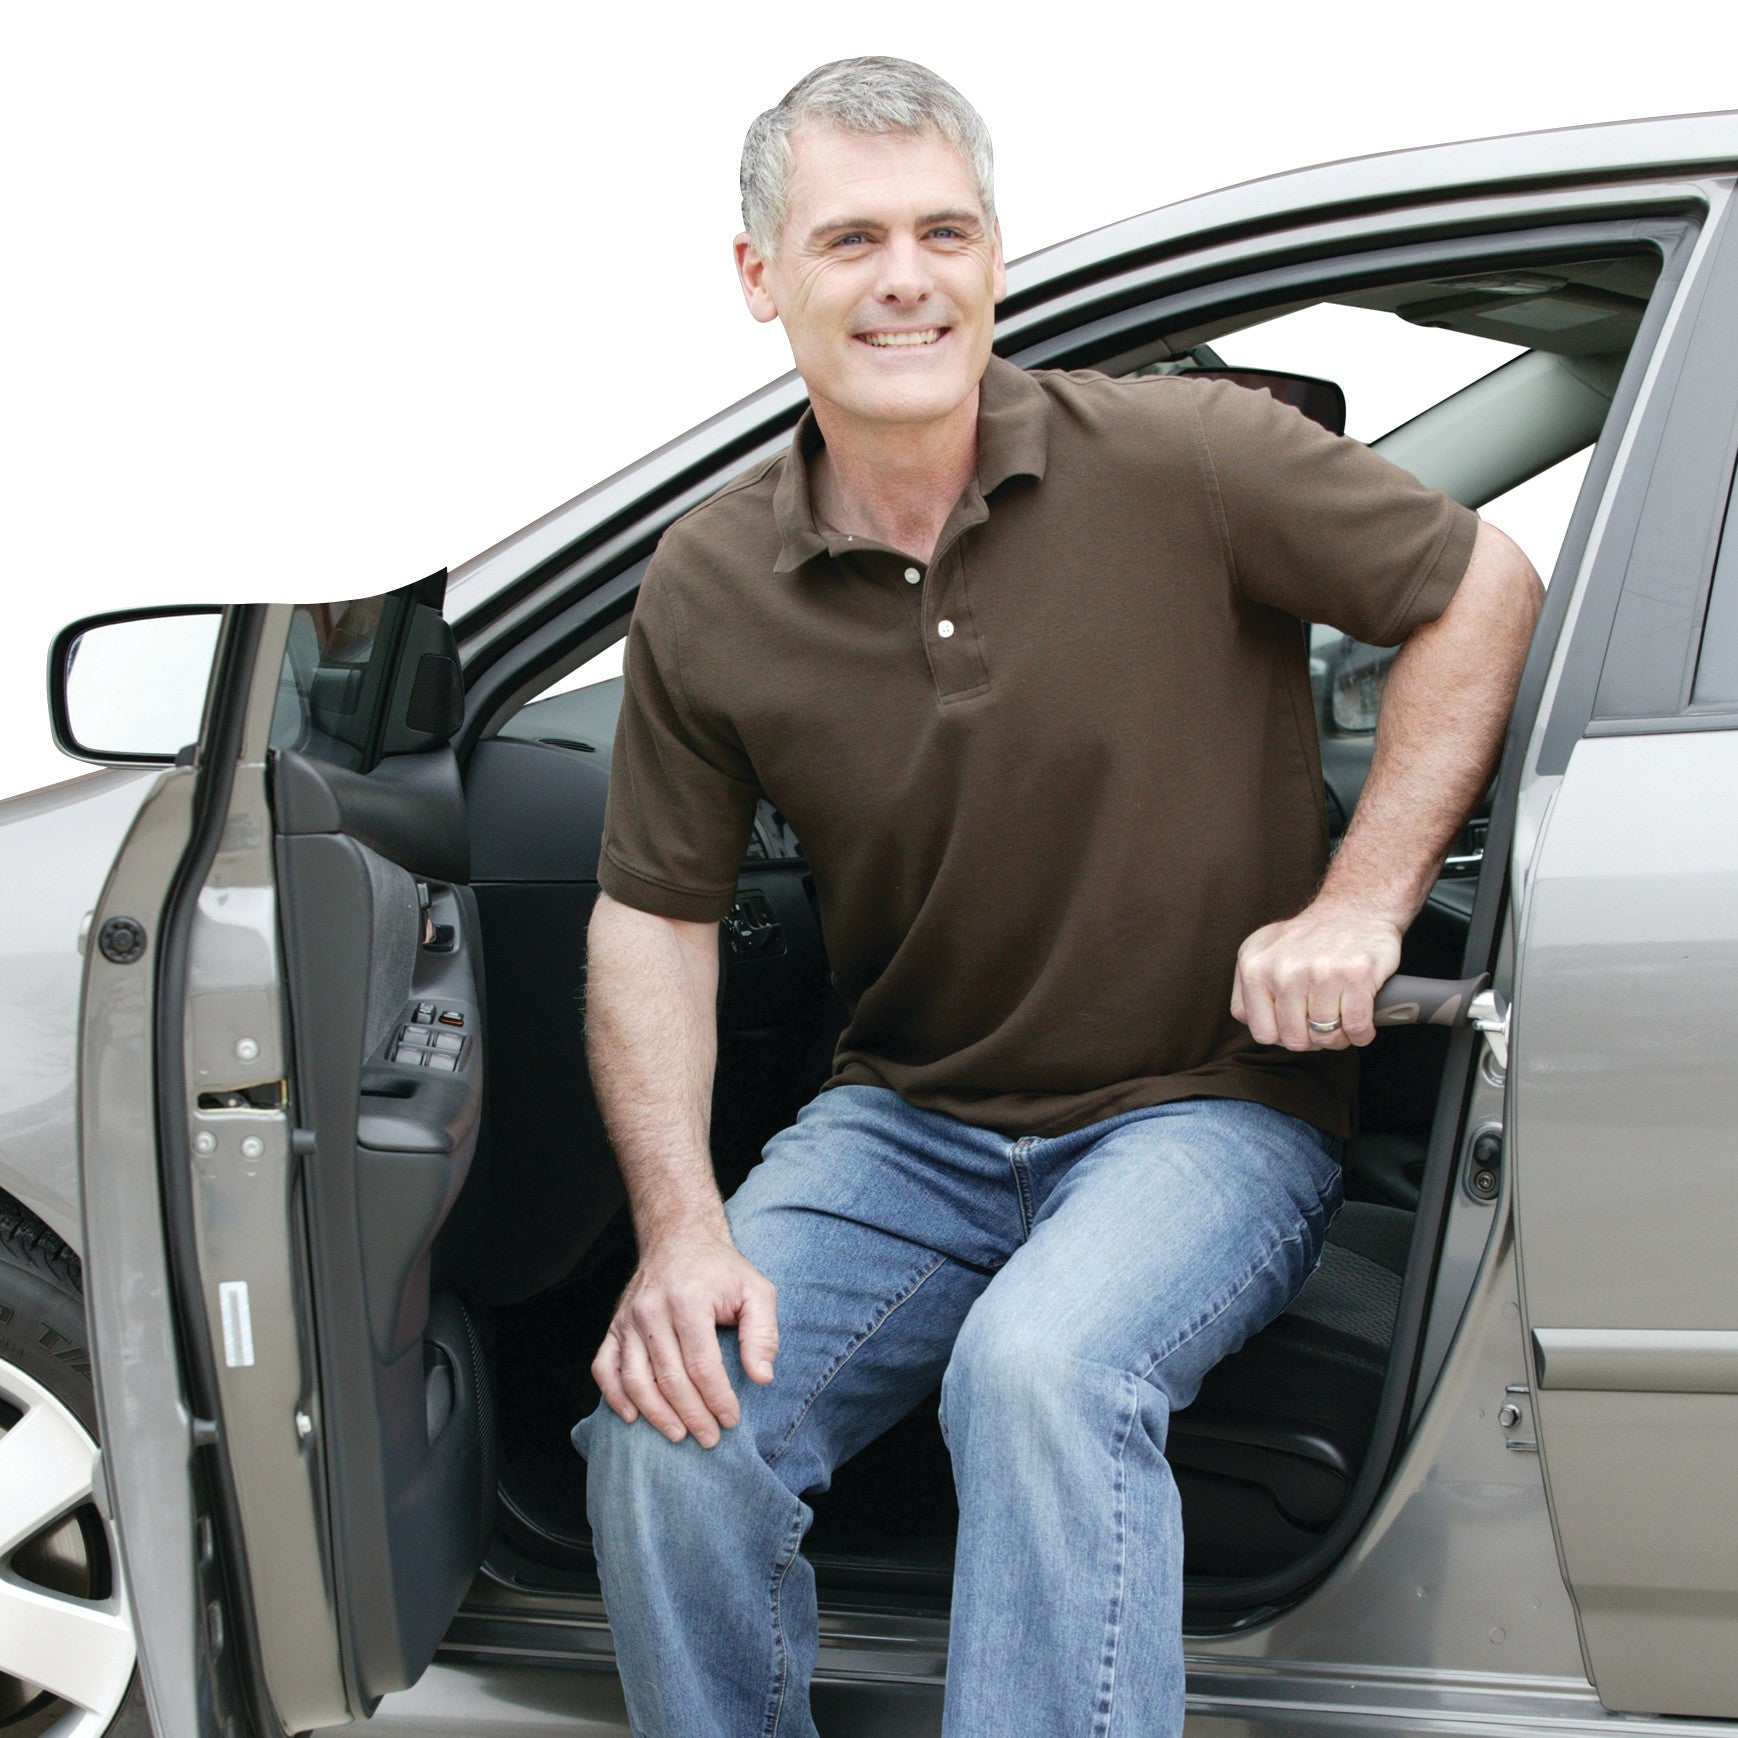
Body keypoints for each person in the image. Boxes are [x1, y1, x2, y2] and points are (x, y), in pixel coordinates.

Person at [571, 54, 1542, 1738]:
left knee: (1038, 1367)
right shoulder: (710, 582)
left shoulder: (1185, 456)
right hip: (907, 1125)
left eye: (943, 232)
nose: (906, 278)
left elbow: (1484, 586)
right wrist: (680, 1231)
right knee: (671, 1422)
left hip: (1206, 1112)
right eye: (852, 238)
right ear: (759, 276)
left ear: (995, 255)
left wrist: (1360, 899)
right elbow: (652, 918)